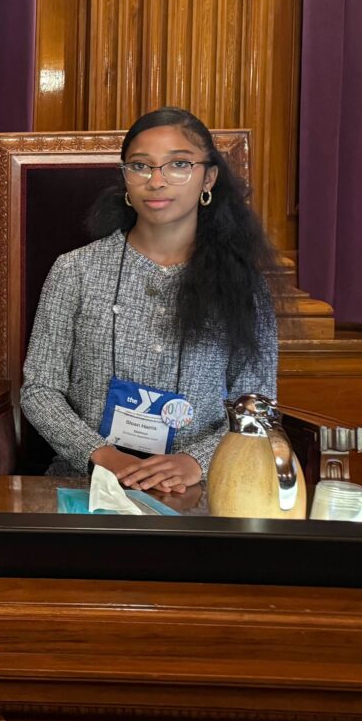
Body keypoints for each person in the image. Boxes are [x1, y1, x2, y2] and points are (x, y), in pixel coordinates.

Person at [20, 107, 278, 493]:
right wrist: (100, 455)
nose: (156, 181)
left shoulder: (244, 284)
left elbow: (258, 403)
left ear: (208, 178)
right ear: (125, 178)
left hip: (198, 489)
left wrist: (197, 461)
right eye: (140, 166)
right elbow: (40, 389)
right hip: (88, 482)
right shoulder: (75, 270)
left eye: (179, 165)